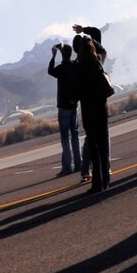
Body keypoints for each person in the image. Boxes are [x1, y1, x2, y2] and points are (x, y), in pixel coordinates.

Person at [68, 27, 114, 193]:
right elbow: (102, 49)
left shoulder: (78, 68)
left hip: (88, 110)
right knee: (104, 143)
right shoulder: (98, 61)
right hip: (101, 107)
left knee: (93, 144)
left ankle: (97, 183)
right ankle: (106, 180)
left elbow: (74, 94)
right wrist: (87, 35)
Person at [47, 38, 85, 179]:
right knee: (75, 134)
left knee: (65, 137)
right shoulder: (74, 66)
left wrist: (53, 56)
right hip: (74, 104)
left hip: (63, 106)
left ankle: (67, 167)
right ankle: (79, 163)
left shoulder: (61, 69)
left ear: (63, 55)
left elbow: (50, 71)